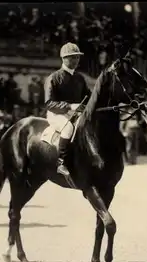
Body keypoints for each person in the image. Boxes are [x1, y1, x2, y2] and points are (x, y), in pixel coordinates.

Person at [44, 42, 91, 176]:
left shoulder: (80, 78)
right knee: (68, 128)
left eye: (77, 57)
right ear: (64, 58)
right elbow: (48, 103)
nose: (76, 60)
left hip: (76, 113)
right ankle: (61, 162)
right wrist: (70, 106)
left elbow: (88, 97)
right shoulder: (53, 77)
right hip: (56, 113)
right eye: (72, 57)